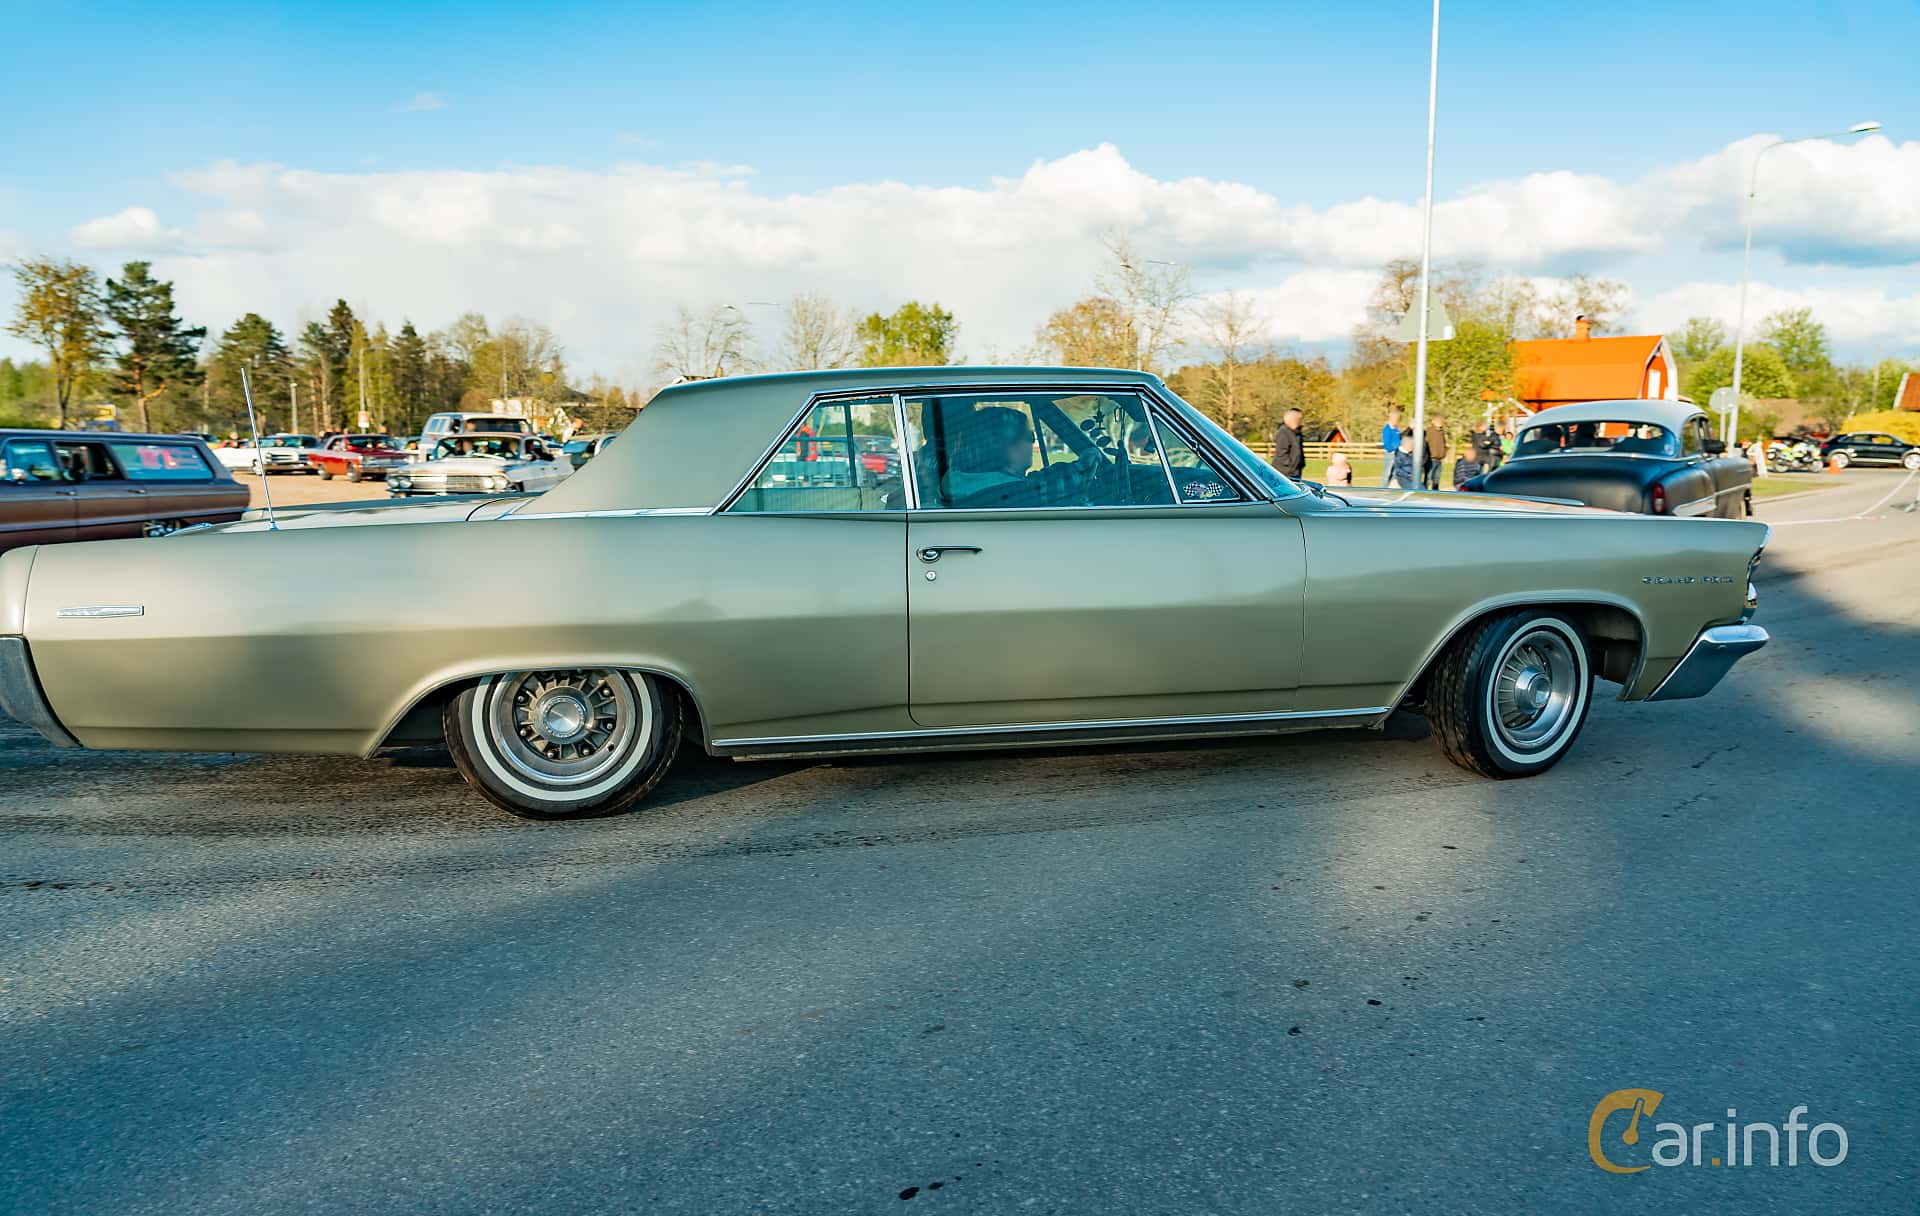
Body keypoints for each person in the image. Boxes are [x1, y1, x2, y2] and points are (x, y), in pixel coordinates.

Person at [939, 407, 1034, 504]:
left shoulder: (951, 486)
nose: (1032, 443)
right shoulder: (1018, 494)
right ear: (1006, 444)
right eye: (1030, 436)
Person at [1271, 408, 1305, 480]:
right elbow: (1281, 453)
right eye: (1298, 419)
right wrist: (1290, 467)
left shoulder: (1297, 433)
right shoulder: (1283, 432)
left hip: (1295, 472)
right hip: (1284, 473)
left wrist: (1301, 464)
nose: (1300, 422)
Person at [1423, 416, 1449, 490]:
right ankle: (1424, 492)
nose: (1439, 422)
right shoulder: (1429, 431)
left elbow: (1444, 443)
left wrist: (1445, 451)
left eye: (1441, 420)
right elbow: (1425, 444)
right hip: (1431, 459)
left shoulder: (1442, 432)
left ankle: (1435, 492)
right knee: (1428, 478)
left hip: (1439, 459)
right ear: (1433, 421)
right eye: (1437, 420)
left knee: (1437, 479)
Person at [1379, 408, 1404, 487]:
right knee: (1387, 473)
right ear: (1392, 418)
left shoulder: (1396, 429)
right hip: (1390, 454)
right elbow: (1386, 443)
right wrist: (1393, 449)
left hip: (1397, 454)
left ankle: (1391, 488)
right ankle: (1383, 489)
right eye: (1396, 419)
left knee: (1395, 474)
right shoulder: (1387, 429)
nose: (1397, 421)